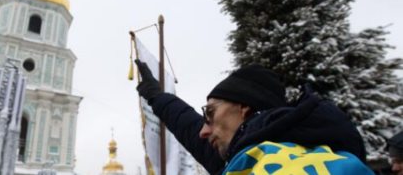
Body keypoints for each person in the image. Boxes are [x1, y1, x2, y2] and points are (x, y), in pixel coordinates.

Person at [134, 60, 374, 175]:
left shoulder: (284, 167)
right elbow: (189, 126)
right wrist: (158, 98)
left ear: (244, 108)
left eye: (210, 114)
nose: (203, 131)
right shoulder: (249, 155)